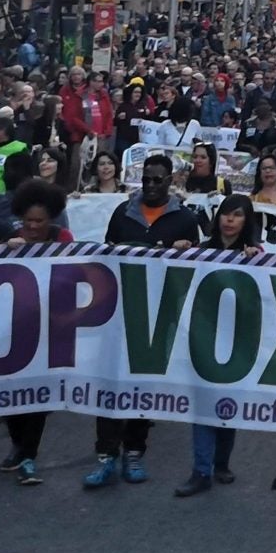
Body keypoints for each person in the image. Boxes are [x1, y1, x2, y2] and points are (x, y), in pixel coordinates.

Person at [86, 152, 202, 488]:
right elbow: (106, 256)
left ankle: (134, 452)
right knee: (109, 382)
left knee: (142, 386)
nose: (150, 185)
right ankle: (105, 456)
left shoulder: (184, 220)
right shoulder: (123, 213)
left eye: (157, 180)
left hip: (158, 316)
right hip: (119, 312)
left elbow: (195, 269)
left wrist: (187, 251)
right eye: (146, 179)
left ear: (171, 181)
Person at [177, 195, 264, 497]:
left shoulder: (256, 254)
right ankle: (201, 470)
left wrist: (257, 258)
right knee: (203, 406)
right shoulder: (202, 250)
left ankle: (221, 462)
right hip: (203, 339)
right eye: (225, 214)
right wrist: (181, 253)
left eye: (237, 215)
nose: (229, 220)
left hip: (237, 342)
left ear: (246, 220)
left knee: (226, 407)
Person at [0, 181, 67, 484]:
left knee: (36, 395)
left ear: (50, 220)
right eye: (29, 222)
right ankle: (17, 443)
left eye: (40, 221)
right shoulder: (11, 240)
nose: (34, 227)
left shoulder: (63, 238)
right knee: (11, 393)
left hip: (48, 327)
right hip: (11, 328)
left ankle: (28, 455)